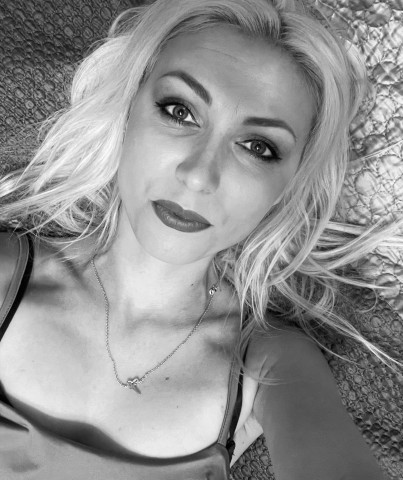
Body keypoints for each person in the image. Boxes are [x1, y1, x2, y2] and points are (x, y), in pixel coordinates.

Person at [0, 0, 400, 478]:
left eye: (258, 147)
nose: (198, 176)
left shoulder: (270, 363)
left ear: (287, 187)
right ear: (126, 108)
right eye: (180, 111)